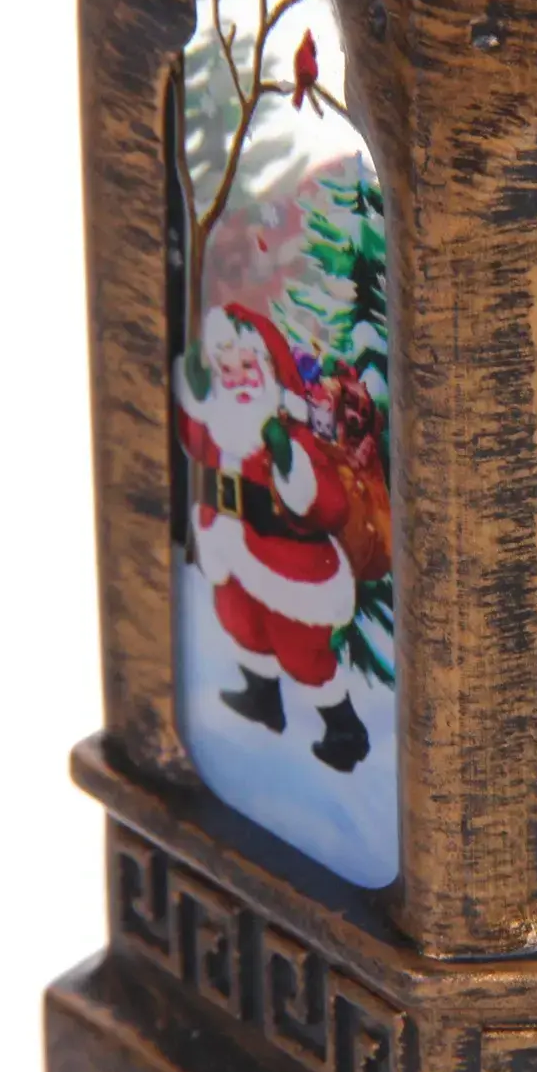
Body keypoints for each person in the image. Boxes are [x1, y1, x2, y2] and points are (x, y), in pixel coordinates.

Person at [174, 304, 369, 770]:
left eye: (247, 365)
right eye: (226, 370)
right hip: (229, 546)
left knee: (302, 652)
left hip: (288, 566)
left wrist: (289, 466)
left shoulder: (290, 436)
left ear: (268, 370)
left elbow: (332, 506)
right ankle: (261, 697)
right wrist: (192, 395)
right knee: (239, 620)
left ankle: (345, 729)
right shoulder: (221, 426)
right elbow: (193, 439)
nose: (238, 379)